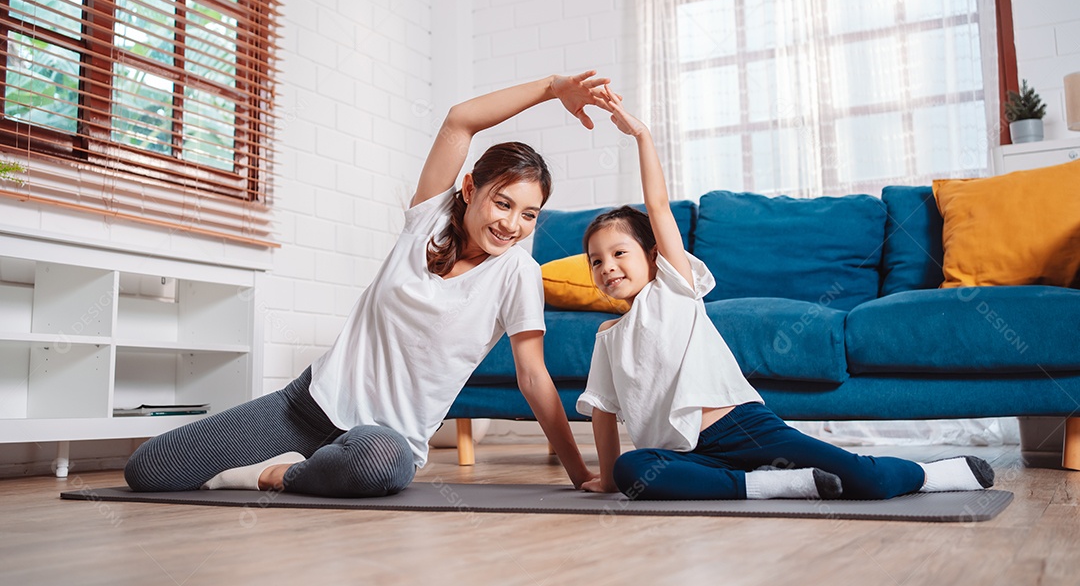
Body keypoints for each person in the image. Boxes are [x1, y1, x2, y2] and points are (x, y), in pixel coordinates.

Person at [124, 72, 610, 496]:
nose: (513, 225)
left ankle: (273, 478)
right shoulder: (430, 218)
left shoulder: (517, 273)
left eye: (529, 214)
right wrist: (551, 87)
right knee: (148, 469)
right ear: (468, 190)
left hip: (383, 437)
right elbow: (460, 119)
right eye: (503, 203)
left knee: (378, 463)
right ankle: (311, 468)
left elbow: (533, 377)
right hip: (308, 405)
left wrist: (578, 473)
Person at [577, 91, 995, 501]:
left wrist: (642, 137)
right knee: (631, 470)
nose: (607, 267)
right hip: (684, 458)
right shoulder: (608, 336)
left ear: (653, 256)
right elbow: (604, 411)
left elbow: (660, 207)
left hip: (740, 428)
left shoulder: (673, 288)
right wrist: (610, 478)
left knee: (866, 483)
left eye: (618, 253)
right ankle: (764, 486)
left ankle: (931, 475)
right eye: (595, 261)